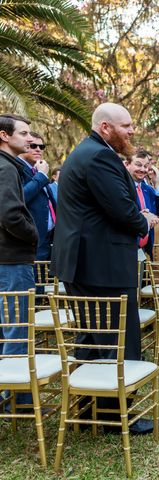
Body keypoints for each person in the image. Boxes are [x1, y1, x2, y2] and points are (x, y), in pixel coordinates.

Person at [51, 103, 159, 434]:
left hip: (84, 264)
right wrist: (142, 222)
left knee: (92, 340)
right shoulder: (99, 157)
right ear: (105, 127)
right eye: (125, 126)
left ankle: (90, 411)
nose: (131, 131)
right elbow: (123, 210)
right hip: (102, 266)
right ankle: (118, 417)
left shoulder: (85, 152)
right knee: (117, 341)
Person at [0, 114, 38, 407]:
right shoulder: (5, 169)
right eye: (24, 133)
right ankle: (18, 398)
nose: (29, 138)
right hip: (12, 260)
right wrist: (34, 235)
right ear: (4, 136)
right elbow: (10, 215)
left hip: (9, 259)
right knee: (17, 328)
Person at [18, 132, 56, 260]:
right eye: (33, 146)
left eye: (41, 146)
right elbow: (20, 197)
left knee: (46, 280)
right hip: (29, 240)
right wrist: (41, 176)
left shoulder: (38, 169)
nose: (38, 149)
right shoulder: (16, 168)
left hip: (47, 239)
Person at [123, 152, 159, 259]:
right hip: (126, 247)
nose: (143, 169)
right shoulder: (121, 187)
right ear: (127, 165)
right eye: (138, 165)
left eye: (146, 166)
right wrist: (140, 216)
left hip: (144, 249)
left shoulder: (147, 189)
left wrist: (156, 184)